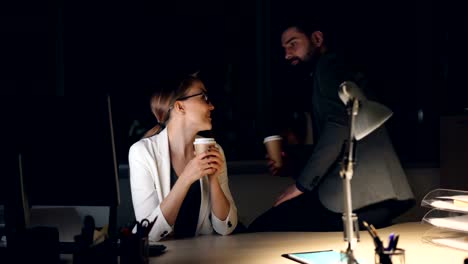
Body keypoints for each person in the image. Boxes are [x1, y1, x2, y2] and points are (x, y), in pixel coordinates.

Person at [248, 18, 415, 232]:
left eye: (293, 44)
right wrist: (293, 163)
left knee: (264, 227)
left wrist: (300, 186)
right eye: (284, 48)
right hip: (377, 197)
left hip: (362, 197)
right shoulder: (336, 69)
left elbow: (339, 126)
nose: (287, 54)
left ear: (316, 39)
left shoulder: (328, 65)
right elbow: (344, 141)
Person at [128, 73, 238, 241]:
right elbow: (149, 233)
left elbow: (226, 227)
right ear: (179, 107)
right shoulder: (142, 152)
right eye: (204, 98)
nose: (212, 106)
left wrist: (214, 179)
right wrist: (186, 178)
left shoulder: (214, 150)